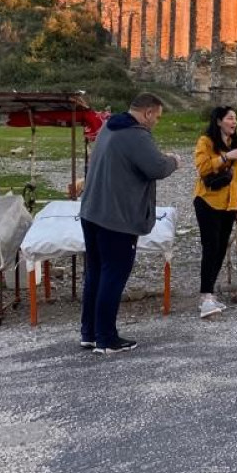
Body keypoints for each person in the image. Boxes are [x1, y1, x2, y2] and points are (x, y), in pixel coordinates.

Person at [79, 92, 179, 355]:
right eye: (156, 117)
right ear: (147, 113)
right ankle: (107, 338)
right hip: (116, 218)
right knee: (114, 273)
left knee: (96, 272)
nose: (155, 122)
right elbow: (156, 167)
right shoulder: (135, 134)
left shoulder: (109, 127)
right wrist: (174, 161)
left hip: (92, 211)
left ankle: (89, 333)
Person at [194, 106, 237, 318]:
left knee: (221, 249)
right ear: (219, 121)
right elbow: (202, 167)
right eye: (230, 118)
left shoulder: (235, 142)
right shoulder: (206, 141)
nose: (234, 122)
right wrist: (227, 156)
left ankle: (209, 293)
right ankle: (205, 296)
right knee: (210, 247)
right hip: (208, 201)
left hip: (230, 203)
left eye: (236, 118)